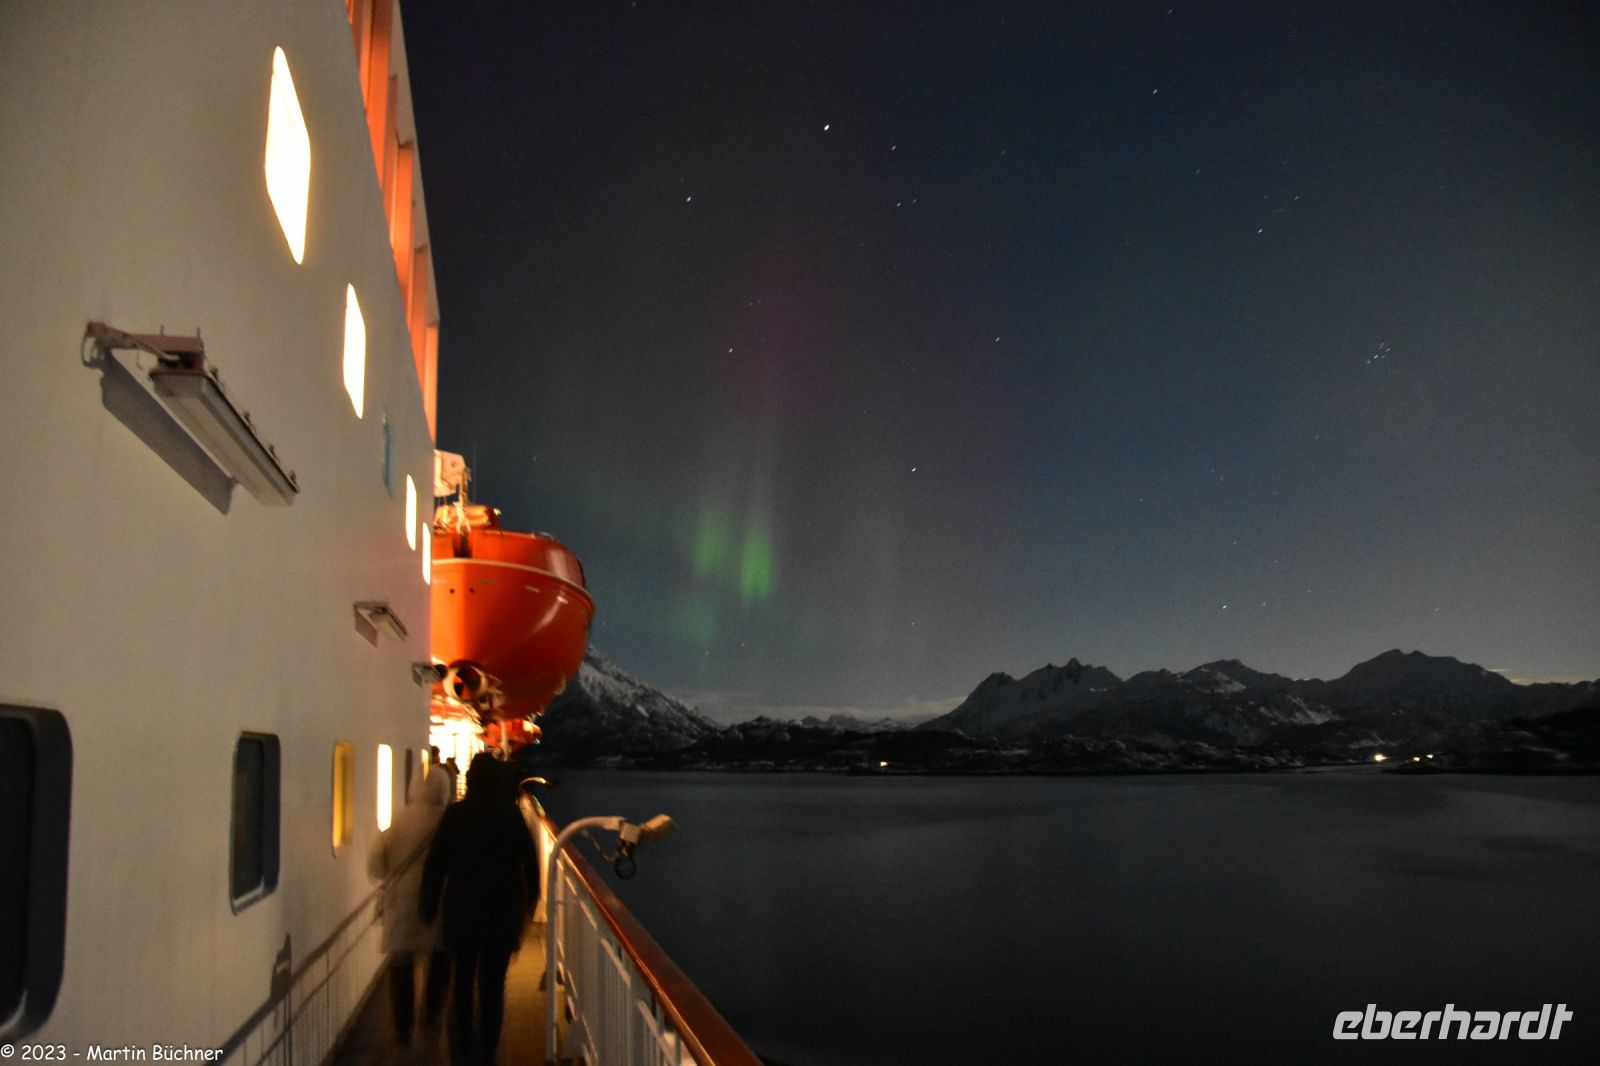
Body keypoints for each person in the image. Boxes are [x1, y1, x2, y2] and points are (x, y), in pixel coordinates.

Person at [421, 752, 539, 1065]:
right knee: (492, 982)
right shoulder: (511, 816)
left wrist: (429, 903)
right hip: (502, 914)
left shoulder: (456, 815)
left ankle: (462, 1046)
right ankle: (489, 1046)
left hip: (463, 911)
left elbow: (436, 863)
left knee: (462, 979)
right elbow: (529, 863)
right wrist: (531, 901)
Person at [366, 770, 453, 1045]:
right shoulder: (447, 821)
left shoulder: (397, 820)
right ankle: (432, 1016)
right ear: (445, 789)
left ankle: (403, 1029)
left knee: (401, 967)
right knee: (439, 960)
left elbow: (375, 866)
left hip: (400, 905)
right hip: (437, 903)